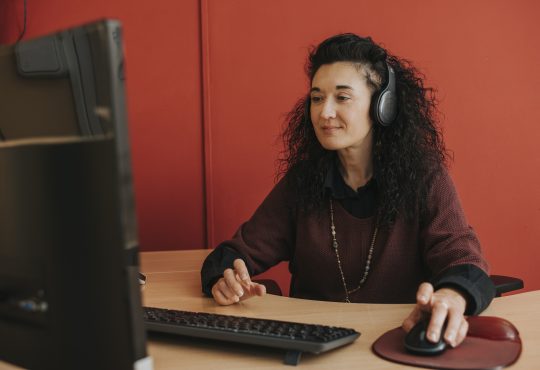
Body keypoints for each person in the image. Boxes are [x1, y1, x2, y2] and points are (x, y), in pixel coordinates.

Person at [201, 33, 495, 348]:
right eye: (316, 98)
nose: (324, 112)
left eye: (342, 97)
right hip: (312, 346)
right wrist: (225, 277)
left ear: (383, 106)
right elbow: (234, 252)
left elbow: (463, 260)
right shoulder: (303, 182)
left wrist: (453, 294)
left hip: (393, 344)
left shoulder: (424, 179)